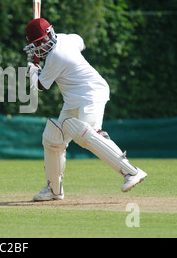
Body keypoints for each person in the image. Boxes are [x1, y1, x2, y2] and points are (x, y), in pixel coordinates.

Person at [23, 18, 147, 201]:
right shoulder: (66, 39)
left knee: (87, 133)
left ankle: (131, 172)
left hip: (91, 94)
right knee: (53, 137)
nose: (41, 46)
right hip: (73, 99)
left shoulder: (56, 56)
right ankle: (54, 190)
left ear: (50, 34)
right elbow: (81, 42)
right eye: (37, 43)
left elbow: (41, 86)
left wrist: (33, 71)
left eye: (42, 41)